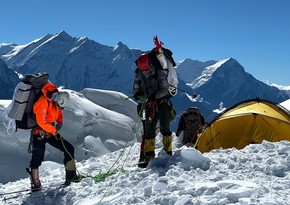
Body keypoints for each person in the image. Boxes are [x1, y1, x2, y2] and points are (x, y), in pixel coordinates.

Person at [27, 83, 77, 190]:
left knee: (69, 148)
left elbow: (58, 112)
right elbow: (41, 121)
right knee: (37, 158)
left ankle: (71, 177)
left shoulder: (54, 102)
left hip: (49, 132)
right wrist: (54, 130)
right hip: (39, 133)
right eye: (60, 106)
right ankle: (35, 183)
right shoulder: (43, 102)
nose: (60, 108)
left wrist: (60, 122)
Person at [133, 46, 176, 168]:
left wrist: (154, 96)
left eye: (146, 69)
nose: (145, 72)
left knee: (164, 127)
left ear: (149, 65)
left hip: (162, 102)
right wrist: (140, 97)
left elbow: (165, 89)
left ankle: (168, 153)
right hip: (147, 104)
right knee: (148, 129)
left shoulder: (160, 71)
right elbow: (135, 89)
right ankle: (148, 155)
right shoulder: (138, 73)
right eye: (142, 70)